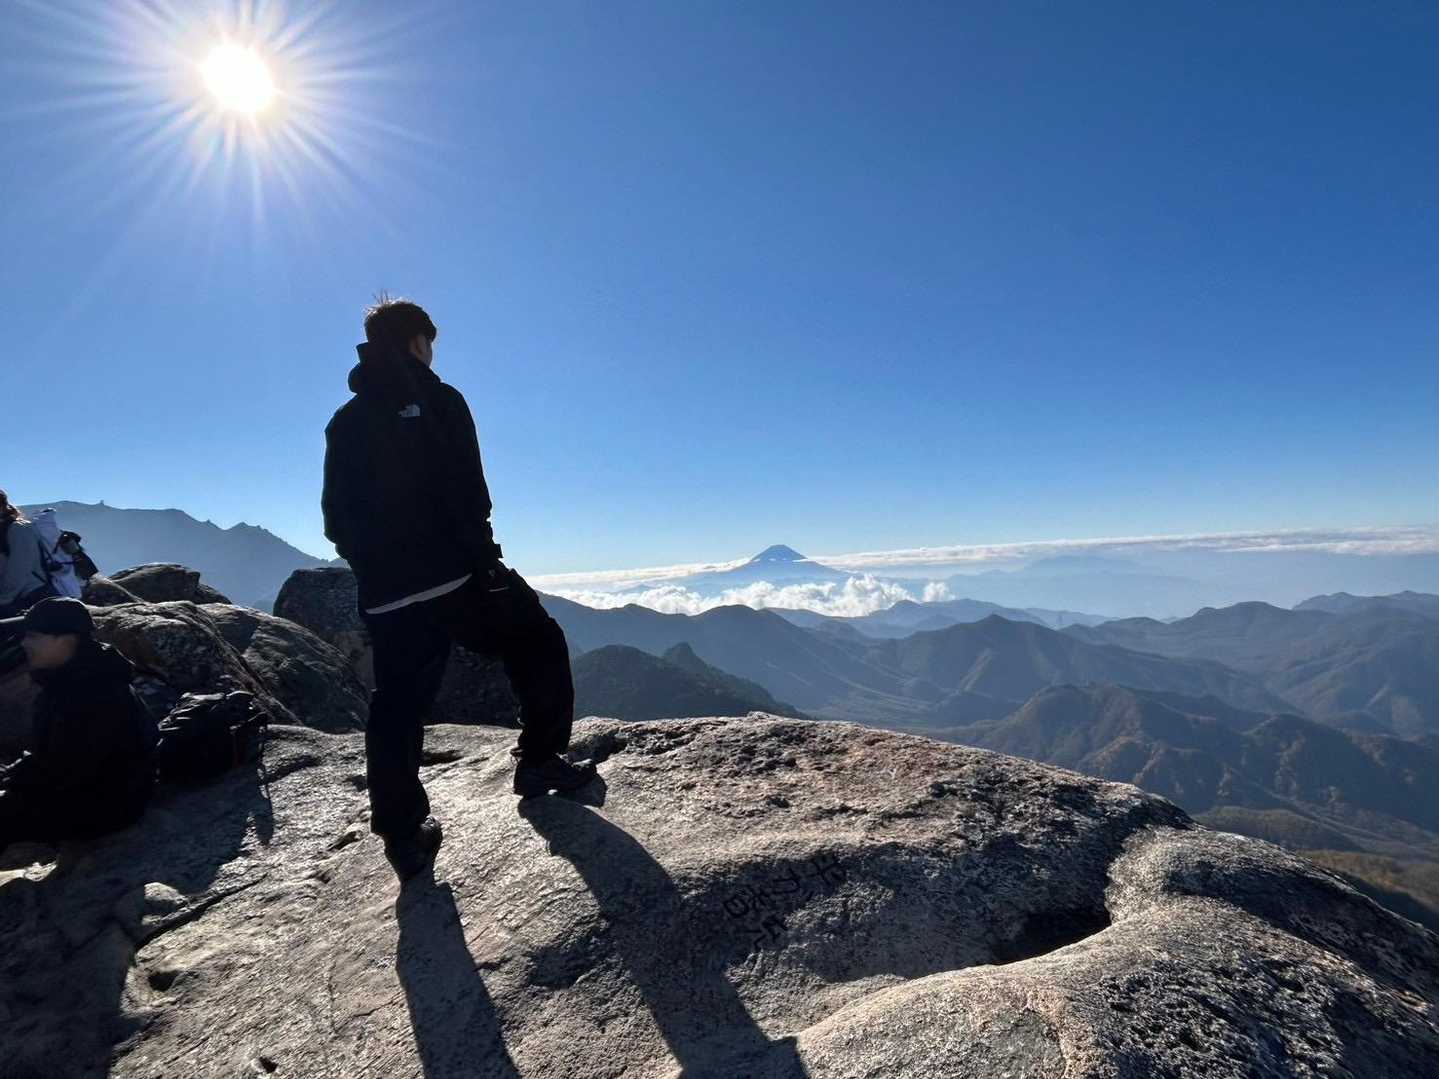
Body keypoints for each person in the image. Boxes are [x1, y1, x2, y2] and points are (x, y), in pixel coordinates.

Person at [322, 297, 596, 881]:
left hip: (386, 594)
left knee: (397, 704)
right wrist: (484, 562)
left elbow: (334, 520)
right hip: (453, 576)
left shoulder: (345, 420)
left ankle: (402, 835)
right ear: (418, 341)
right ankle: (540, 760)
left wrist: (375, 571)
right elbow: (468, 492)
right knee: (539, 639)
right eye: (430, 342)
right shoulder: (440, 399)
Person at [0, 598, 158, 852]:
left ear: (65, 640)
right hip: (94, 791)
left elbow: (69, 768)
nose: (24, 643)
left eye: (33, 636)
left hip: (109, 806)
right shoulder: (74, 675)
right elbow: (53, 755)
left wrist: (13, 785)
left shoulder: (92, 691)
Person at [0, 490, 57, 618]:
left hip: (31, 596)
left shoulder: (18, 529)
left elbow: (19, 569)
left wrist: (3, 599)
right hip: (15, 597)